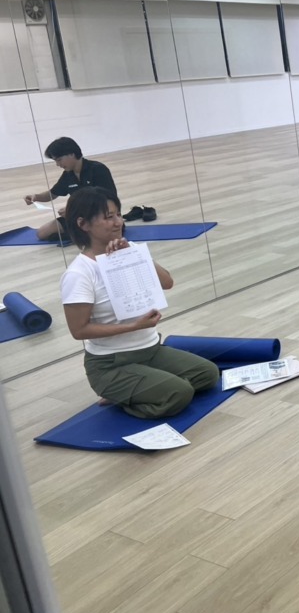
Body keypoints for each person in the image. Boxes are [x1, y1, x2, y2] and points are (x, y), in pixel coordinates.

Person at [60, 186, 219, 419]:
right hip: (110, 365)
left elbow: (167, 282)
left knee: (208, 374)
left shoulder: (130, 248)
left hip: (150, 351)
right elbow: (79, 330)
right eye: (109, 217)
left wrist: (133, 255)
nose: (118, 222)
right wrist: (134, 326)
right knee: (179, 393)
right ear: (83, 224)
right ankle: (119, 394)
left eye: (118, 214)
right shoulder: (79, 273)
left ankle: (137, 387)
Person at [23, 137, 118, 241]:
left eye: (59, 160)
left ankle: (82, 234)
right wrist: (36, 197)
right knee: (42, 233)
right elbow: (53, 193)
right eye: (55, 161)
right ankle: (81, 234)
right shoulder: (68, 175)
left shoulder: (98, 169)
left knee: (102, 230)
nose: (58, 164)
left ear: (71, 154)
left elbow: (107, 199)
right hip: (79, 217)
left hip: (101, 215)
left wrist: (73, 209)